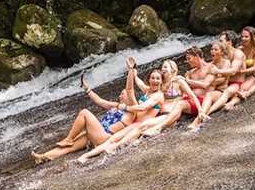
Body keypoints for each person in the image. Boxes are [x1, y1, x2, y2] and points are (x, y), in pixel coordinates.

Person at [32, 59, 163, 163]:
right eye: (121, 94)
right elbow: (100, 101)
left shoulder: (131, 110)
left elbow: (129, 89)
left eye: (123, 94)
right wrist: (87, 89)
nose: (121, 95)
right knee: (70, 148)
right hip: (96, 133)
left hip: (103, 136)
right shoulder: (117, 105)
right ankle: (43, 157)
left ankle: (68, 138)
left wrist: (130, 72)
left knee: (84, 113)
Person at [77, 59, 199, 162]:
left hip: (142, 124)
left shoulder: (159, 95)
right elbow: (131, 88)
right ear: (149, 80)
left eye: (158, 78)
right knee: (112, 139)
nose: (155, 80)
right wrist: (132, 71)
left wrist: (125, 107)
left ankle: (107, 150)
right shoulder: (147, 91)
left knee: (116, 143)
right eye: (152, 78)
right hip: (135, 122)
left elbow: (143, 107)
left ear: (161, 81)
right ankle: (85, 156)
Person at [141, 45, 227, 137]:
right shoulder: (190, 72)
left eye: (189, 58)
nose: (187, 61)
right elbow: (184, 88)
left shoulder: (211, 67)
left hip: (205, 98)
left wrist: (187, 80)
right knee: (171, 102)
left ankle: (158, 127)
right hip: (191, 101)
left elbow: (205, 84)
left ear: (197, 56)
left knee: (181, 103)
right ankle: (149, 123)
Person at [188, 34, 244, 128]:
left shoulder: (226, 62)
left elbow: (221, 79)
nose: (212, 51)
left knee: (208, 95)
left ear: (221, 52)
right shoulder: (211, 64)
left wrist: (209, 81)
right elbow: (204, 74)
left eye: (215, 49)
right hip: (211, 90)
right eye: (211, 49)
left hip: (220, 91)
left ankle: (198, 119)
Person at [224, 26, 255, 110]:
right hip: (241, 76)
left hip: (252, 74)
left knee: (247, 87)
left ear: (252, 37)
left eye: (246, 37)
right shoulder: (239, 49)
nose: (243, 39)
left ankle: (232, 103)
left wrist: (241, 71)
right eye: (242, 36)